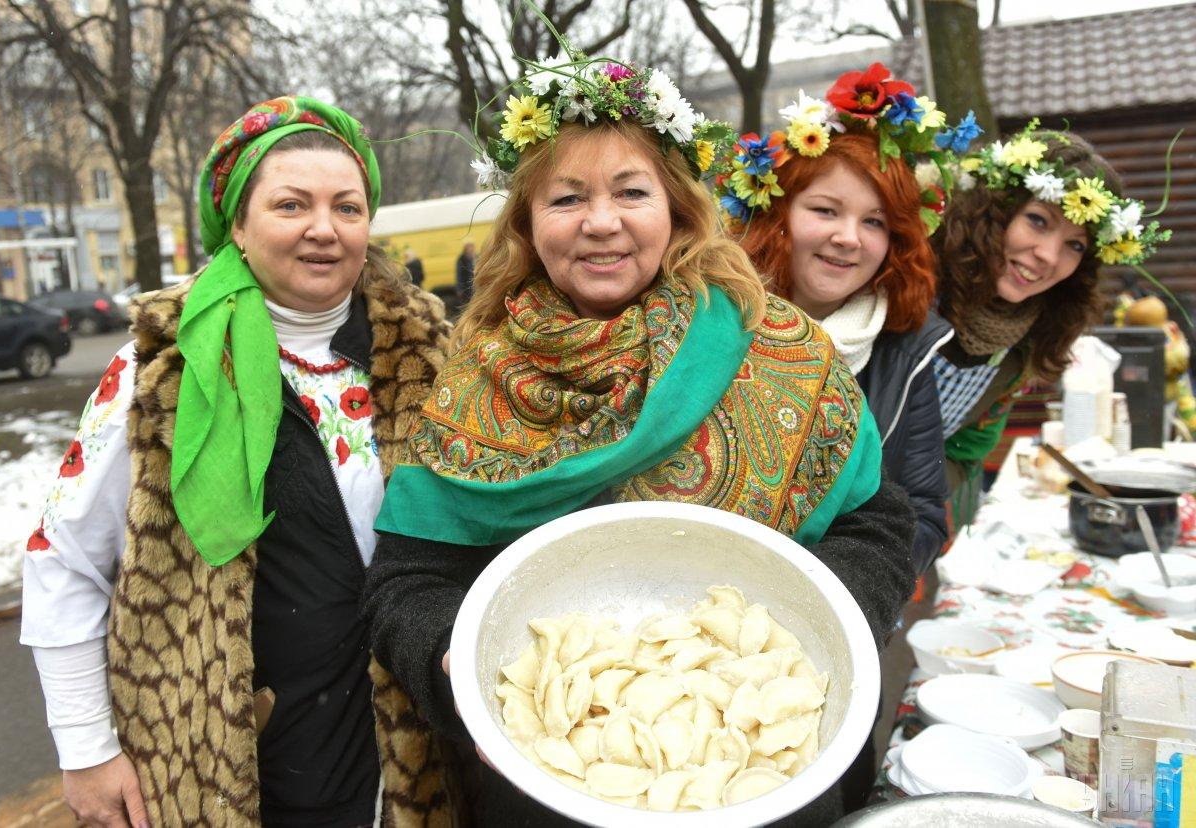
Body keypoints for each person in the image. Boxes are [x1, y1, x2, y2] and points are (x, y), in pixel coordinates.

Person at [362, 55, 916, 826]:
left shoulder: (780, 348)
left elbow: (883, 525)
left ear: (678, 212)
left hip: (759, 771)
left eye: (631, 192)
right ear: (527, 223)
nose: (601, 221)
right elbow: (405, 582)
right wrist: (452, 658)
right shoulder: (476, 382)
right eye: (567, 197)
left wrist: (798, 632)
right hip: (556, 778)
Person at [20, 97, 453, 827]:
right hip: (237, 762)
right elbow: (61, 560)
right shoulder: (158, 371)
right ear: (239, 227)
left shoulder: (431, 361)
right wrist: (86, 750)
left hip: (418, 755)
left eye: (347, 207)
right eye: (292, 204)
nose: (324, 228)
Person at [728, 63, 978, 577]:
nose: (849, 238)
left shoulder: (904, 351)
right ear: (779, 215)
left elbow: (924, 515)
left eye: (874, 222)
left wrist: (832, 596)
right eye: (825, 210)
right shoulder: (716, 323)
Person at [931, 122, 1170, 522]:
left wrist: (907, 515)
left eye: (1074, 245)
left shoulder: (1024, 341)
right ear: (996, 209)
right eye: (1038, 221)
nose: (1047, 255)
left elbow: (963, 452)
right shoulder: (909, 287)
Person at [455, 239, 476, 303]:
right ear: (465, 248)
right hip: (466, 287)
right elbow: (459, 275)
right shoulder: (461, 259)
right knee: (468, 303)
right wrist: (459, 289)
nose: (470, 248)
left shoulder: (477, 256)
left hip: (476, 286)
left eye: (471, 246)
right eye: (468, 246)